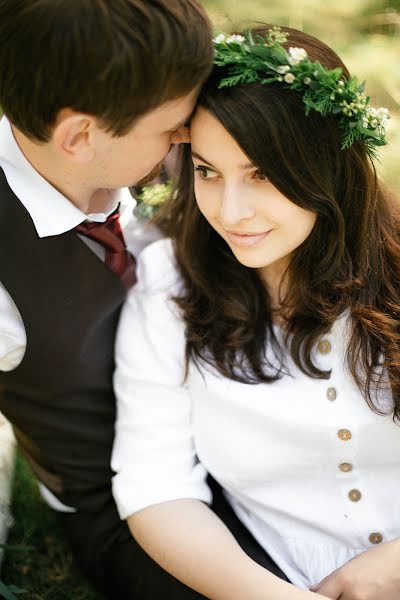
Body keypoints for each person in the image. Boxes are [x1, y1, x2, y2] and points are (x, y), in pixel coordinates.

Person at [112, 25, 400, 600]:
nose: (232, 211)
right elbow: (155, 484)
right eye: (208, 172)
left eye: (263, 174)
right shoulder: (171, 288)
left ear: (328, 165)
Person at [0, 2, 277, 598]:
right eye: (172, 125)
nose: (188, 134)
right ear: (80, 136)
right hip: (126, 499)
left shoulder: (149, 131)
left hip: (256, 425)